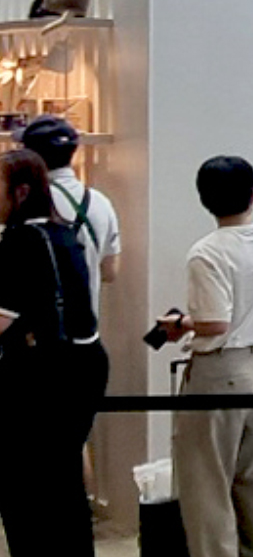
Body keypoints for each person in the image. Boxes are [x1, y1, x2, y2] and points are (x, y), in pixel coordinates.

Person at [160, 156, 253, 557]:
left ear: (203, 198)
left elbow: (215, 322)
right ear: (252, 195)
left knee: (208, 485)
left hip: (222, 370)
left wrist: (181, 324)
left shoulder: (206, 252)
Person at [0, 148, 108, 557]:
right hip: (84, 365)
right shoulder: (64, 233)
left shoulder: (20, 240)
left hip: (41, 375)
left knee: (25, 487)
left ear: (20, 191)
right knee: (64, 483)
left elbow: (4, 318)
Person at [17, 114, 121, 317]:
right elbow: (110, 272)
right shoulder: (100, 202)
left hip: (32, 330)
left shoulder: (23, 202)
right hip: (85, 329)